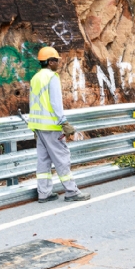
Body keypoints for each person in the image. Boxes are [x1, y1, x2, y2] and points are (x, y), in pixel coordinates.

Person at [28, 47, 90, 203]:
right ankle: (71, 191)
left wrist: (35, 125)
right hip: (51, 126)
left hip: (38, 126)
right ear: (50, 62)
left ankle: (44, 193)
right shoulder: (52, 77)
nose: (58, 63)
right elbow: (56, 103)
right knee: (62, 158)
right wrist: (64, 122)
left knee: (43, 160)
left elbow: (33, 102)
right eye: (56, 60)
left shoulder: (35, 78)